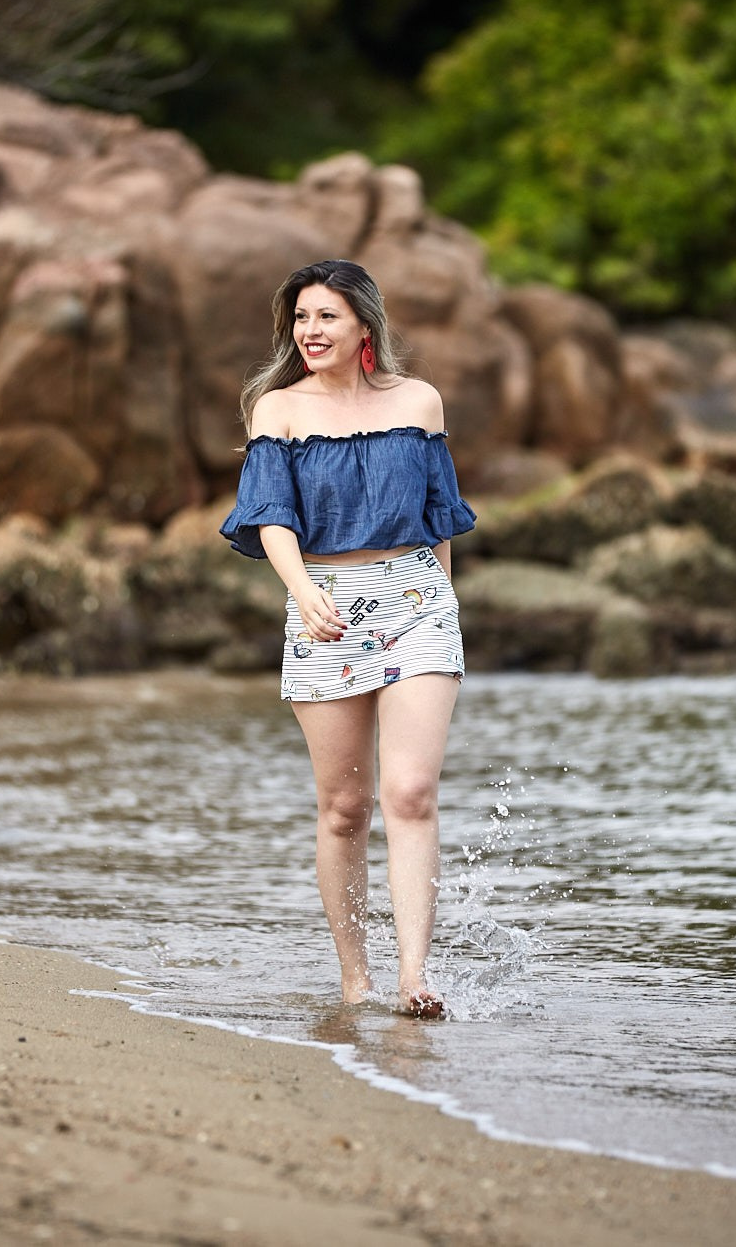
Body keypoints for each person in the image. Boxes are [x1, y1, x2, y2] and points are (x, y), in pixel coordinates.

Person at [220, 259, 476, 1019]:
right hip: (325, 604)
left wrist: (446, 605)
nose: (310, 331)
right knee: (344, 807)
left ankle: (413, 976)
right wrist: (305, 595)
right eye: (301, 318)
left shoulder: (419, 402)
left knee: (410, 791)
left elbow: (441, 516)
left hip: (417, 603)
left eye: (326, 316)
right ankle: (355, 976)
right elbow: (271, 517)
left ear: (364, 323)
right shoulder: (280, 410)